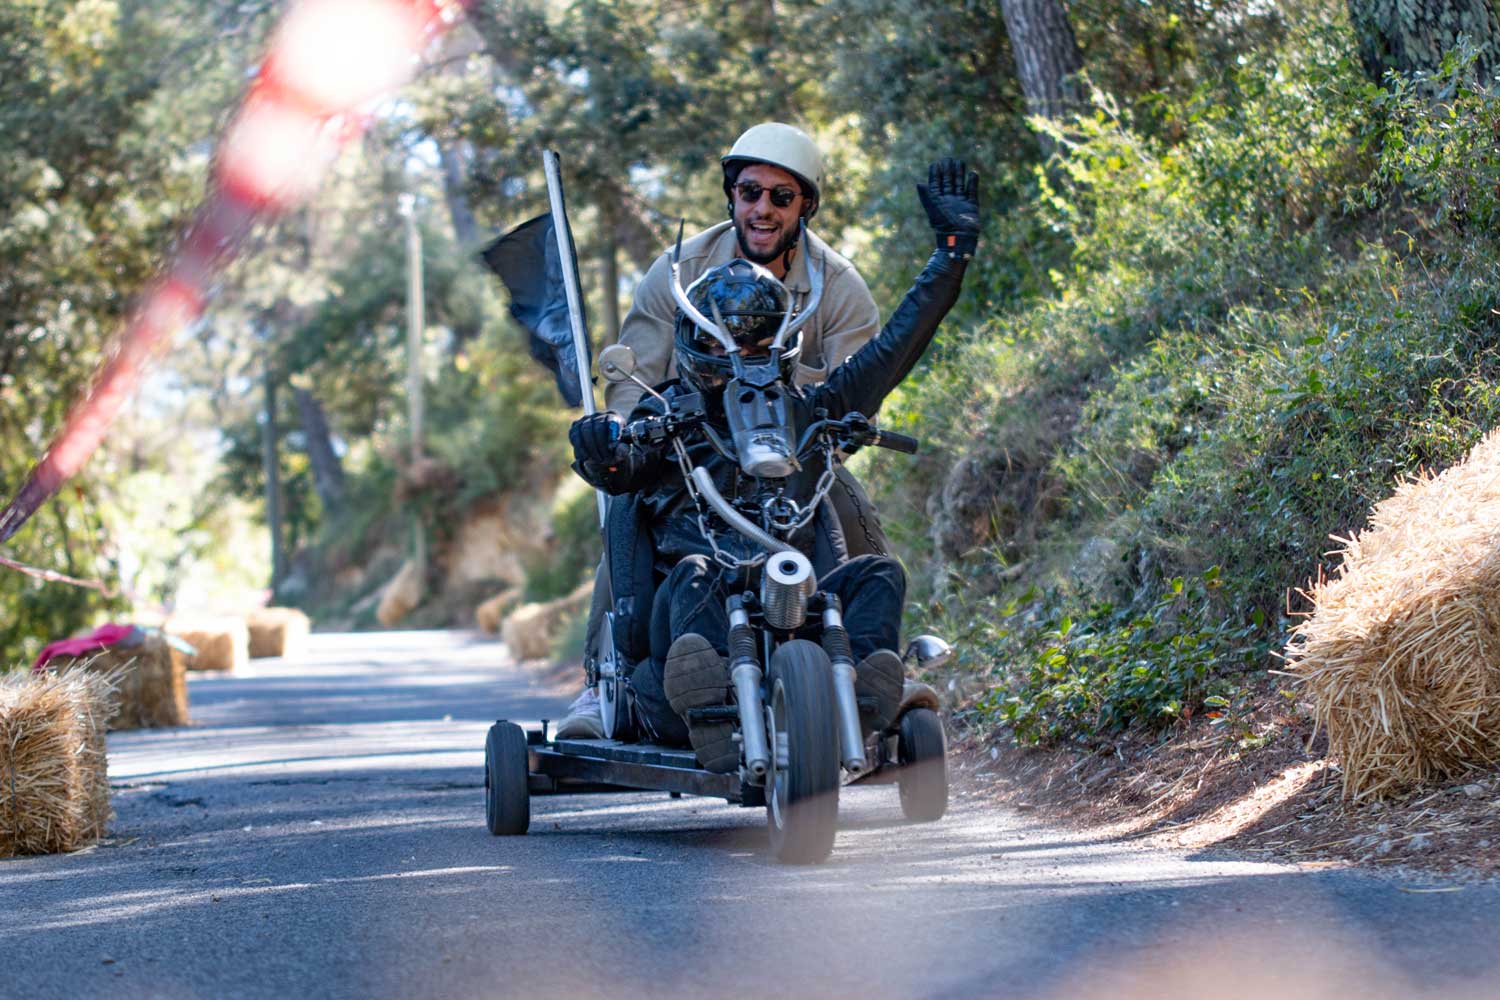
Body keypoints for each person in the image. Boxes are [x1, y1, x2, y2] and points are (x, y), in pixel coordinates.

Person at [567, 157, 981, 767]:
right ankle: (674, 702)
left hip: (794, 503)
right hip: (693, 556)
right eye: (750, 192)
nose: (740, 352)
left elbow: (883, 355)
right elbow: (623, 428)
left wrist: (951, 256)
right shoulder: (677, 319)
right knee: (666, 550)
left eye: (780, 196)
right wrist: (610, 439)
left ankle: (869, 693)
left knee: (878, 572)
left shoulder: (828, 317)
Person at [556, 122, 892, 739]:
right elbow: (636, 376)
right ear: (731, 196)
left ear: (806, 206)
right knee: (624, 516)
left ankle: (871, 665)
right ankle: (600, 683)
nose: (762, 209)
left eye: (780, 197)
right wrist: (632, 437)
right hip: (693, 451)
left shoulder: (838, 286)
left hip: (791, 452)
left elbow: (858, 387)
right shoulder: (678, 271)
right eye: (749, 192)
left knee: (858, 517)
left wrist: (841, 430)